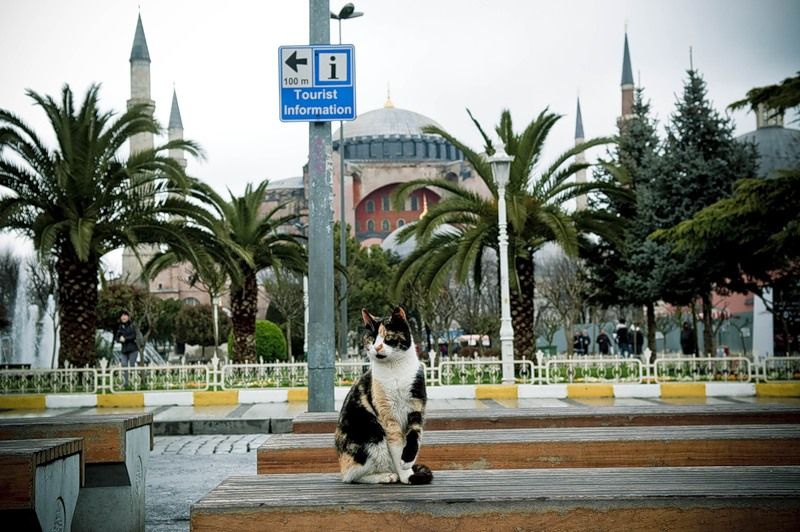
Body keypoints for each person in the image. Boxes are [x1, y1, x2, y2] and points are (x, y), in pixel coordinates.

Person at [116, 311, 139, 386]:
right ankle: (126, 383)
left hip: (133, 349)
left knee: (132, 366)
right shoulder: (120, 327)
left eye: (125, 315)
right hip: (124, 350)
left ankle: (134, 381)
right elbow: (117, 337)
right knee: (124, 365)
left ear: (128, 317)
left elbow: (134, 335)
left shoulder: (132, 325)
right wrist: (119, 339)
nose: (123, 317)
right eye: (122, 316)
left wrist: (125, 339)